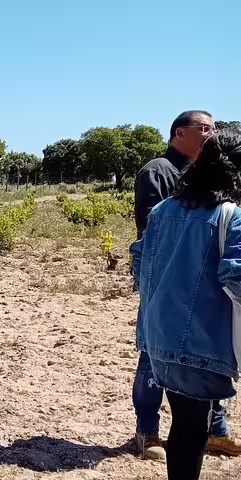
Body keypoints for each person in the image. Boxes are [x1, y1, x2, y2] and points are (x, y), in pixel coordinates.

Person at [130, 129, 241, 480]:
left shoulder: (163, 210)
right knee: (193, 428)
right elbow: (237, 280)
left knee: (187, 425)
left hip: (160, 338)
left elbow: (139, 262)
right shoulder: (231, 216)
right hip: (204, 342)